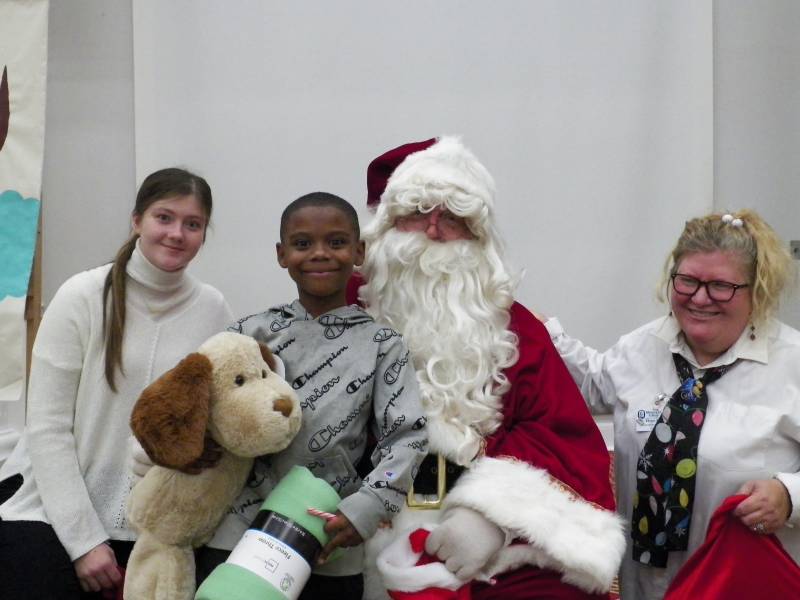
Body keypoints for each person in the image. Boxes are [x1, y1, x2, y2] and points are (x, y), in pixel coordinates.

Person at [352, 137, 625, 600]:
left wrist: (491, 516)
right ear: (385, 226)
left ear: (479, 236)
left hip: (490, 545)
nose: (435, 231)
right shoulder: (346, 314)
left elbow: (558, 433)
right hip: (360, 531)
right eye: (419, 211)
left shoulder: (513, 327)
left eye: (454, 217)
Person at [540, 209, 800, 599]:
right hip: (645, 585)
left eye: (720, 286)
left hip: (742, 583)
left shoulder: (791, 362)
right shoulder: (646, 346)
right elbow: (590, 383)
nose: (699, 297)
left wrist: (789, 495)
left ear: (756, 289)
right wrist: (537, 330)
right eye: (688, 281)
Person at [0, 168, 233, 599]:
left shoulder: (213, 309)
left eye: (193, 224)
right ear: (137, 220)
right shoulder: (82, 295)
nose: (177, 233)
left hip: (156, 526)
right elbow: (47, 428)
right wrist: (84, 542)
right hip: (54, 514)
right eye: (164, 217)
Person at [227, 191, 428, 599]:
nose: (320, 253)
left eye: (336, 242)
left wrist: (367, 508)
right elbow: (209, 412)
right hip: (238, 530)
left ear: (358, 251)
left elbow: (408, 437)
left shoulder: (382, 344)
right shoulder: (248, 334)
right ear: (282, 255)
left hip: (331, 533)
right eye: (303, 244)